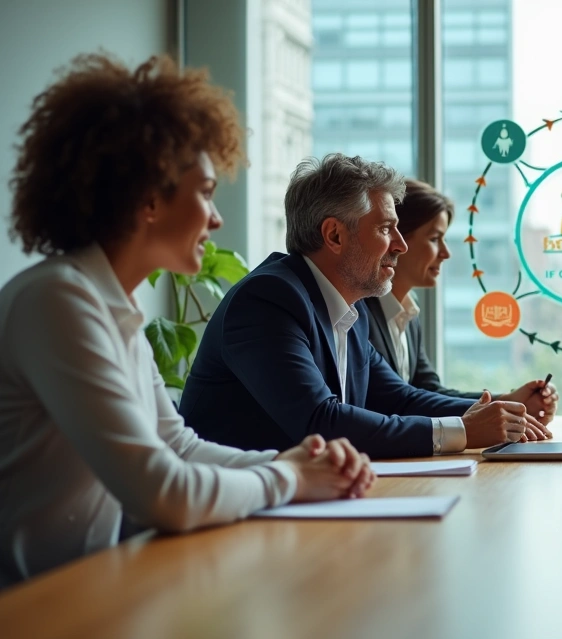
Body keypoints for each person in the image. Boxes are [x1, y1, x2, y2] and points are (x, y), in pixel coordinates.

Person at [0, 54, 375, 587]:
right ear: (149, 197)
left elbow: (178, 446)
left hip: (84, 592)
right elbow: (162, 493)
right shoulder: (58, 301)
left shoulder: (108, 305)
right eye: (205, 192)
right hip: (29, 607)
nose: (216, 218)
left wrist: (295, 462)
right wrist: (291, 478)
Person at [181, 154, 548, 459]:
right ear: (334, 235)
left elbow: (399, 399)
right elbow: (320, 422)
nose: (401, 245)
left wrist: (500, 410)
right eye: (386, 228)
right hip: (233, 508)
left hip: (303, 498)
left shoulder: (349, 310)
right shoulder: (268, 299)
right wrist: (463, 430)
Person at [364, 179, 558, 427]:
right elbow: (399, 400)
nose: (446, 253)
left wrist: (507, 401)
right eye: (434, 239)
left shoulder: (408, 312)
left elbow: (428, 390)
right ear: (398, 240)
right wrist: (501, 406)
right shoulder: (359, 314)